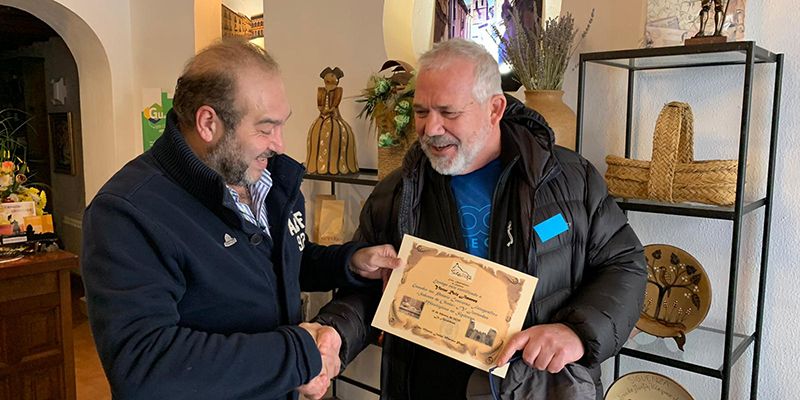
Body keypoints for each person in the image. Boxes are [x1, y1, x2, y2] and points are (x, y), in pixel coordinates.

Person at [314, 38, 647, 399]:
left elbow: (624, 264)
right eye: (422, 111)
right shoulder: (396, 193)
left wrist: (578, 333)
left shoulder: (569, 178)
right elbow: (368, 289)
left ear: (495, 108)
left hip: (540, 388)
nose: (430, 128)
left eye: (449, 112)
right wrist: (335, 333)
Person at [80, 39, 399, 400]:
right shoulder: (127, 212)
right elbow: (144, 365)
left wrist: (349, 262)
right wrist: (297, 355)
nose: (279, 144)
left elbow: (279, 262)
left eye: (282, 125)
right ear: (208, 123)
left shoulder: (271, 181)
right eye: (265, 128)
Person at [305, 66, 359, 175]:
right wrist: (323, 110)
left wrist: (330, 109)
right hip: (322, 117)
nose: (329, 80)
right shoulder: (321, 90)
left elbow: (335, 103)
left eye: (333, 77)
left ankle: (338, 165)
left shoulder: (338, 90)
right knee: (318, 134)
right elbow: (320, 103)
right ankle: (316, 164)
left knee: (337, 134)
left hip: (334, 117)